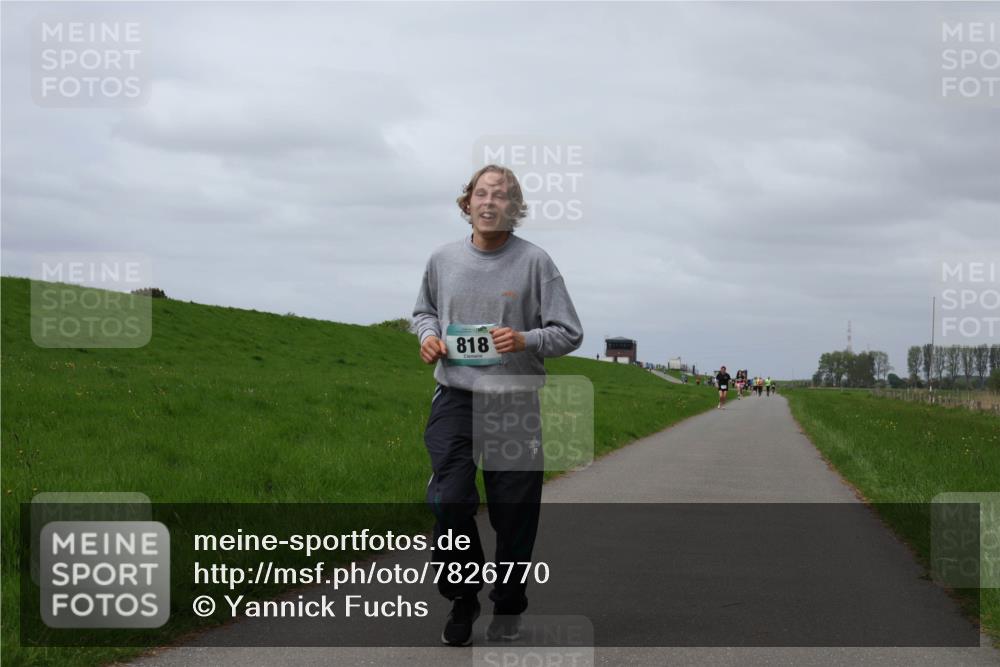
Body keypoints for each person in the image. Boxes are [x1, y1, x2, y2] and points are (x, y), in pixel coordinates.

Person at [413, 165, 584, 646]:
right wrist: (428, 336)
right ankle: (462, 597)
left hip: (514, 403)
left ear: (515, 209)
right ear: (466, 203)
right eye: (481, 193)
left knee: (515, 512)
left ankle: (508, 604)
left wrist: (523, 338)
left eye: (502, 195)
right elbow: (423, 310)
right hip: (455, 397)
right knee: (450, 502)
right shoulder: (442, 260)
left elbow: (569, 332)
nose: (490, 202)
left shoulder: (536, 263)